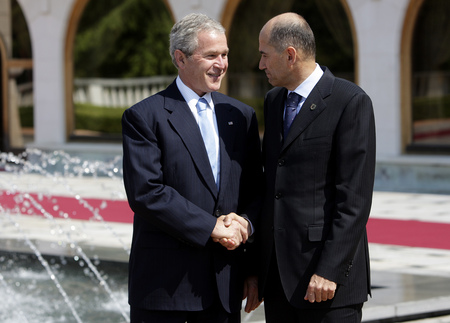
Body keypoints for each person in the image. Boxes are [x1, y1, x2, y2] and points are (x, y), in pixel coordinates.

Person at [122, 13, 263, 323]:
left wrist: (250, 258)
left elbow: (255, 190)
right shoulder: (144, 117)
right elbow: (146, 193)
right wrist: (210, 227)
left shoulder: (241, 116)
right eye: (211, 55)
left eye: (225, 54)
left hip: (225, 289)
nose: (222, 63)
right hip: (165, 291)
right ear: (180, 58)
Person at [256, 12, 376, 322]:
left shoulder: (350, 101)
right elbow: (272, 187)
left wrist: (329, 270)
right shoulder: (273, 101)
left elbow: (354, 200)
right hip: (279, 281)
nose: (261, 65)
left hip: (327, 285)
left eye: (264, 55)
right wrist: (256, 269)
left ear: (290, 55)